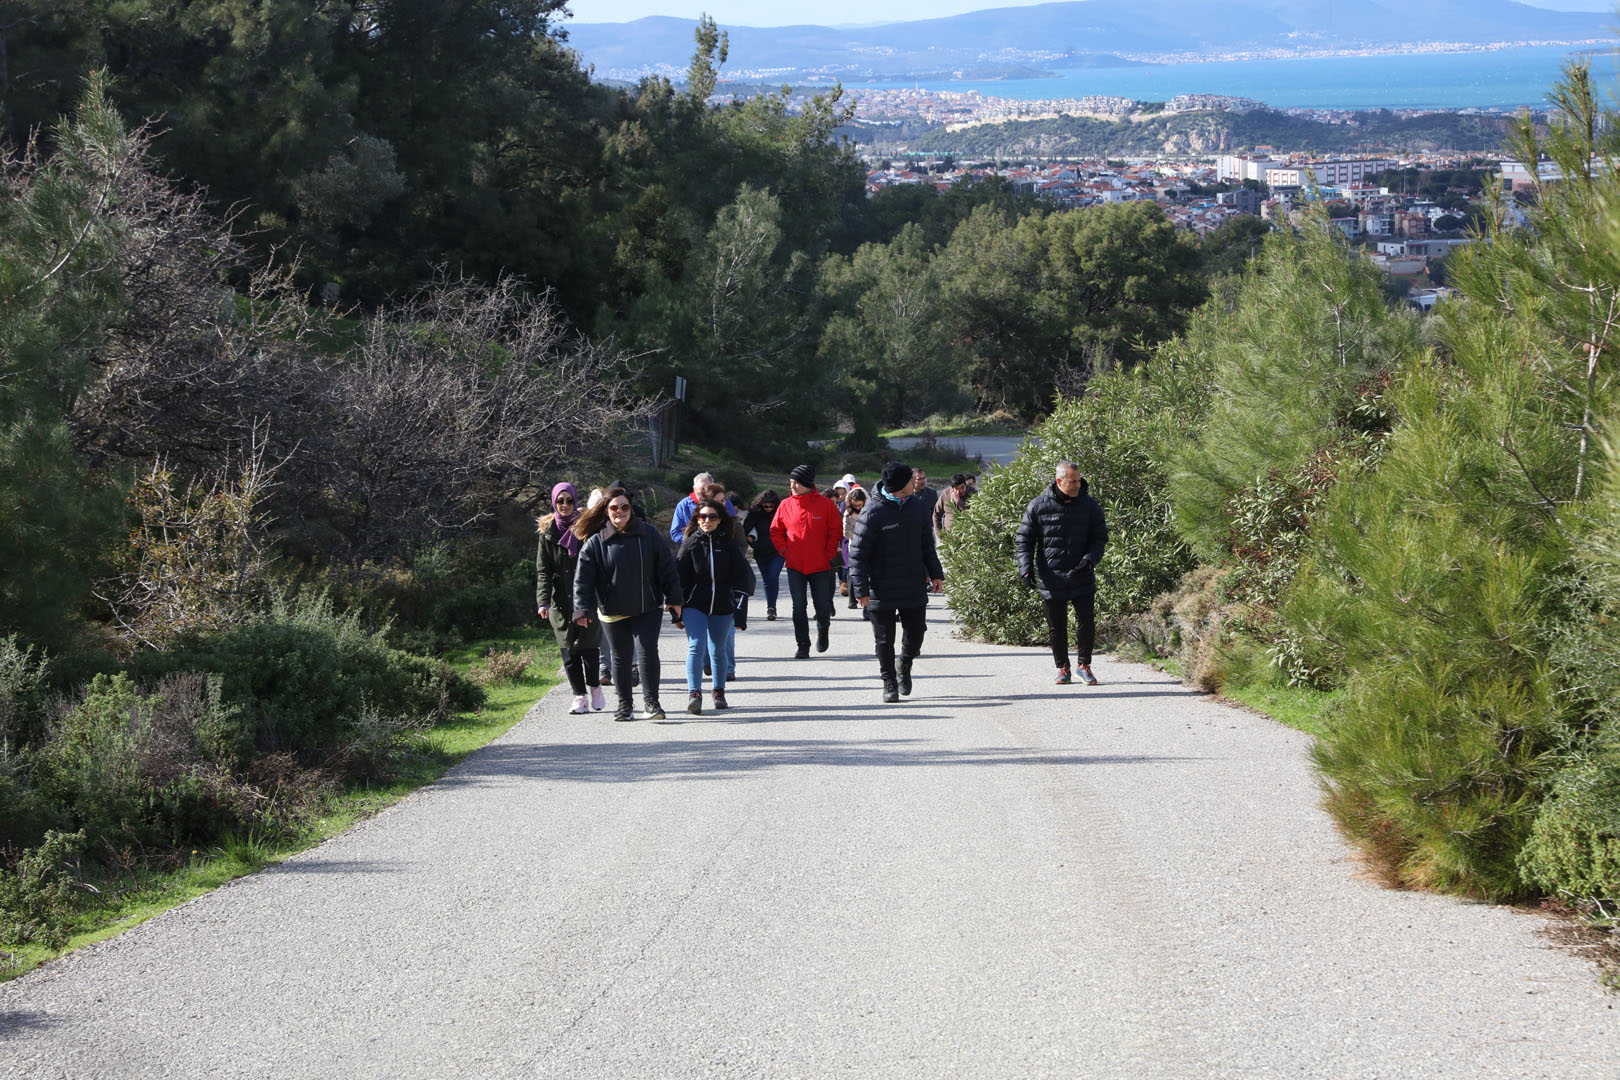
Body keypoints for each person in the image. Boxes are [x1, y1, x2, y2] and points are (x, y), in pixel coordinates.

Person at [573, 486, 683, 720]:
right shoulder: (596, 542)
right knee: (621, 657)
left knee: (647, 652)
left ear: (631, 510)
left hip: (647, 608)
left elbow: (667, 568)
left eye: (624, 507)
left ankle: (652, 703)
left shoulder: (649, 534)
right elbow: (582, 579)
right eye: (614, 507)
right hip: (612, 611)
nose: (619, 511)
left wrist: (674, 599)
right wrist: (582, 609)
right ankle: (625, 706)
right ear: (606, 511)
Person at [849, 460, 944, 703]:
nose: (916, 483)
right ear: (901, 485)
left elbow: (927, 545)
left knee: (916, 634)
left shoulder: (917, 507)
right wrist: (860, 589)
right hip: (881, 587)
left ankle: (905, 662)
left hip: (912, 582)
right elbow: (858, 555)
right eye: (911, 480)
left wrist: (936, 573)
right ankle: (888, 682)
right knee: (884, 640)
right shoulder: (873, 513)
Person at [1015, 460, 1109, 686]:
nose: (1078, 485)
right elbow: (1024, 540)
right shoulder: (1038, 505)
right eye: (1072, 481)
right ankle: (1062, 668)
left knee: (1086, 621)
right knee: (1057, 626)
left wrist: (1090, 560)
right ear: (1059, 481)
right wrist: (1025, 569)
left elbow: (1100, 538)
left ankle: (1084, 666)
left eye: (1079, 480)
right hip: (1051, 577)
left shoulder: (1090, 505)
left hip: (1082, 574)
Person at [676, 498, 755, 713]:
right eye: (703, 516)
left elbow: (742, 578)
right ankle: (694, 693)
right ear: (697, 519)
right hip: (694, 605)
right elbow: (678, 578)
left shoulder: (728, 544)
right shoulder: (690, 543)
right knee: (696, 645)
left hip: (722, 605)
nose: (707, 520)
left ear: (720, 519)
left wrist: (739, 611)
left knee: (718, 649)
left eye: (712, 516)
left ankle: (718, 691)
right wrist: (675, 608)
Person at [537, 483, 604, 714]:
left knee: (588, 647)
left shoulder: (587, 528)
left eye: (569, 501)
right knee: (568, 649)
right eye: (560, 501)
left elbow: (598, 564)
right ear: (554, 503)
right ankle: (579, 696)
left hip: (586, 597)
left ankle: (595, 687)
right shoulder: (547, 533)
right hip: (560, 601)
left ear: (576, 501)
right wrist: (543, 601)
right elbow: (543, 570)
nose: (565, 505)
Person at [770, 464, 842, 659]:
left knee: (822, 604)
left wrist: (828, 553)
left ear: (808, 484)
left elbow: (836, 530)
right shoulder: (785, 504)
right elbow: (776, 531)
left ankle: (823, 630)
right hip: (795, 565)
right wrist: (785, 550)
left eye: (797, 483)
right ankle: (802, 644)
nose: (793, 486)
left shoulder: (826, 505)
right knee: (798, 606)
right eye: (791, 482)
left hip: (820, 565)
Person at [745, 490, 785, 621]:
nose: (768, 509)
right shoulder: (754, 514)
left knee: (773, 576)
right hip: (761, 552)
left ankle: (771, 607)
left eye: (771, 506)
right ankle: (771, 608)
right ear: (760, 504)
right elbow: (744, 530)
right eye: (765, 506)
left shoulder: (781, 512)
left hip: (778, 551)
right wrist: (751, 539)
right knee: (767, 580)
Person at [670, 471, 735, 542]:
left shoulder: (724, 502)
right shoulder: (683, 505)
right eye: (699, 493)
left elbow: (733, 529)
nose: (702, 497)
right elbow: (676, 533)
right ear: (694, 489)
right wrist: (693, 540)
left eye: (706, 492)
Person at [842, 487, 869, 610]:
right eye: (855, 505)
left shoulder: (870, 512)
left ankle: (867, 601)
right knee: (853, 572)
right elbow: (846, 533)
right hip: (854, 545)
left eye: (860, 505)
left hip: (869, 546)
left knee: (867, 573)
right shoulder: (848, 514)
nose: (857, 507)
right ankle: (852, 600)